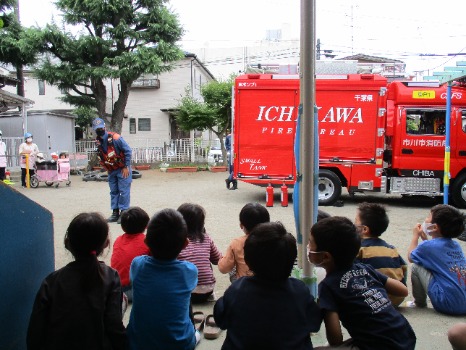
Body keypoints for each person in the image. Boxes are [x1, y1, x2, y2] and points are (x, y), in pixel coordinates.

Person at [310, 216, 416, 350]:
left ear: (325, 256)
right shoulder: (365, 268)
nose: (308, 247)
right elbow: (402, 290)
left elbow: (335, 339)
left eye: (310, 243)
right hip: (405, 336)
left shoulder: (327, 286)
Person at [214, 221, 322, 349]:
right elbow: (314, 323)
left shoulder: (237, 289)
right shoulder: (300, 290)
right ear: (292, 260)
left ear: (248, 260)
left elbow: (221, 319)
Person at [27, 212, 127, 350]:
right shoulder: (111, 276)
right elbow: (114, 326)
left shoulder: (51, 281)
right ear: (106, 244)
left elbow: (35, 332)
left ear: (67, 243)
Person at [127, 209, 200, 350]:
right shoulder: (189, 270)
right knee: (196, 333)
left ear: (146, 241)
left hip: (138, 343)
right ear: (185, 243)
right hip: (179, 344)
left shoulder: (138, 264)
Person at [407, 204, 466, 315]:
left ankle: (419, 303)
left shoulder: (428, 247)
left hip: (447, 304)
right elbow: (434, 251)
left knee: (416, 266)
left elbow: (410, 257)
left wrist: (415, 236)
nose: (425, 219)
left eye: (428, 217)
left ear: (434, 227)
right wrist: (425, 239)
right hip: (464, 304)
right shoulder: (455, 245)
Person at [354, 202, 407, 306]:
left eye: (355, 222)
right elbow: (404, 268)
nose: (353, 225)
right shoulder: (391, 248)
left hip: (374, 299)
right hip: (397, 298)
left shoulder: (359, 249)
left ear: (365, 229)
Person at [177, 203, 222, 303]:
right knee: (205, 260)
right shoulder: (205, 238)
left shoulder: (175, 240)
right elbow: (217, 259)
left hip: (183, 292)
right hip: (207, 290)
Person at [93, 117, 132, 224]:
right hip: (111, 170)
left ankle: (124, 212)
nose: (99, 130)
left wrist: (126, 166)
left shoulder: (116, 138)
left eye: (101, 128)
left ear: (104, 127)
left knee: (124, 191)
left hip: (122, 168)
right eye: (97, 129)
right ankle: (115, 213)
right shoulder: (98, 141)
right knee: (113, 191)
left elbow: (128, 151)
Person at [218, 202, 270, 282]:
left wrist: (222, 259)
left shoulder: (237, 243)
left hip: (246, 286)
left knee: (232, 268)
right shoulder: (275, 239)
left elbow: (223, 268)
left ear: (241, 225)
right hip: (272, 285)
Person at [110, 206, 150, 302]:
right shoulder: (146, 241)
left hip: (117, 286)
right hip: (134, 289)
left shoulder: (118, 240)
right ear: (146, 226)